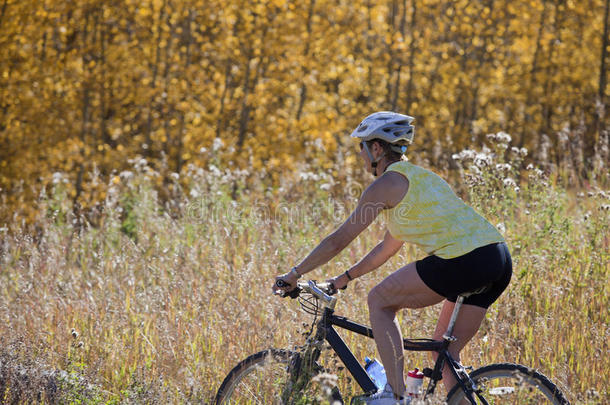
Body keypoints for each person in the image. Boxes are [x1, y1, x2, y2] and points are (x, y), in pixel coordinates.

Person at [273, 112, 512, 405]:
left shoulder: (384, 186)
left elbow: (339, 239)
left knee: (379, 300)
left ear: (376, 149)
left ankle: (396, 396)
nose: (360, 156)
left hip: (462, 260)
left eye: (362, 148)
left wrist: (295, 273)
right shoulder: (421, 179)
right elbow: (387, 247)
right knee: (442, 355)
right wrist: (342, 279)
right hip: (496, 258)